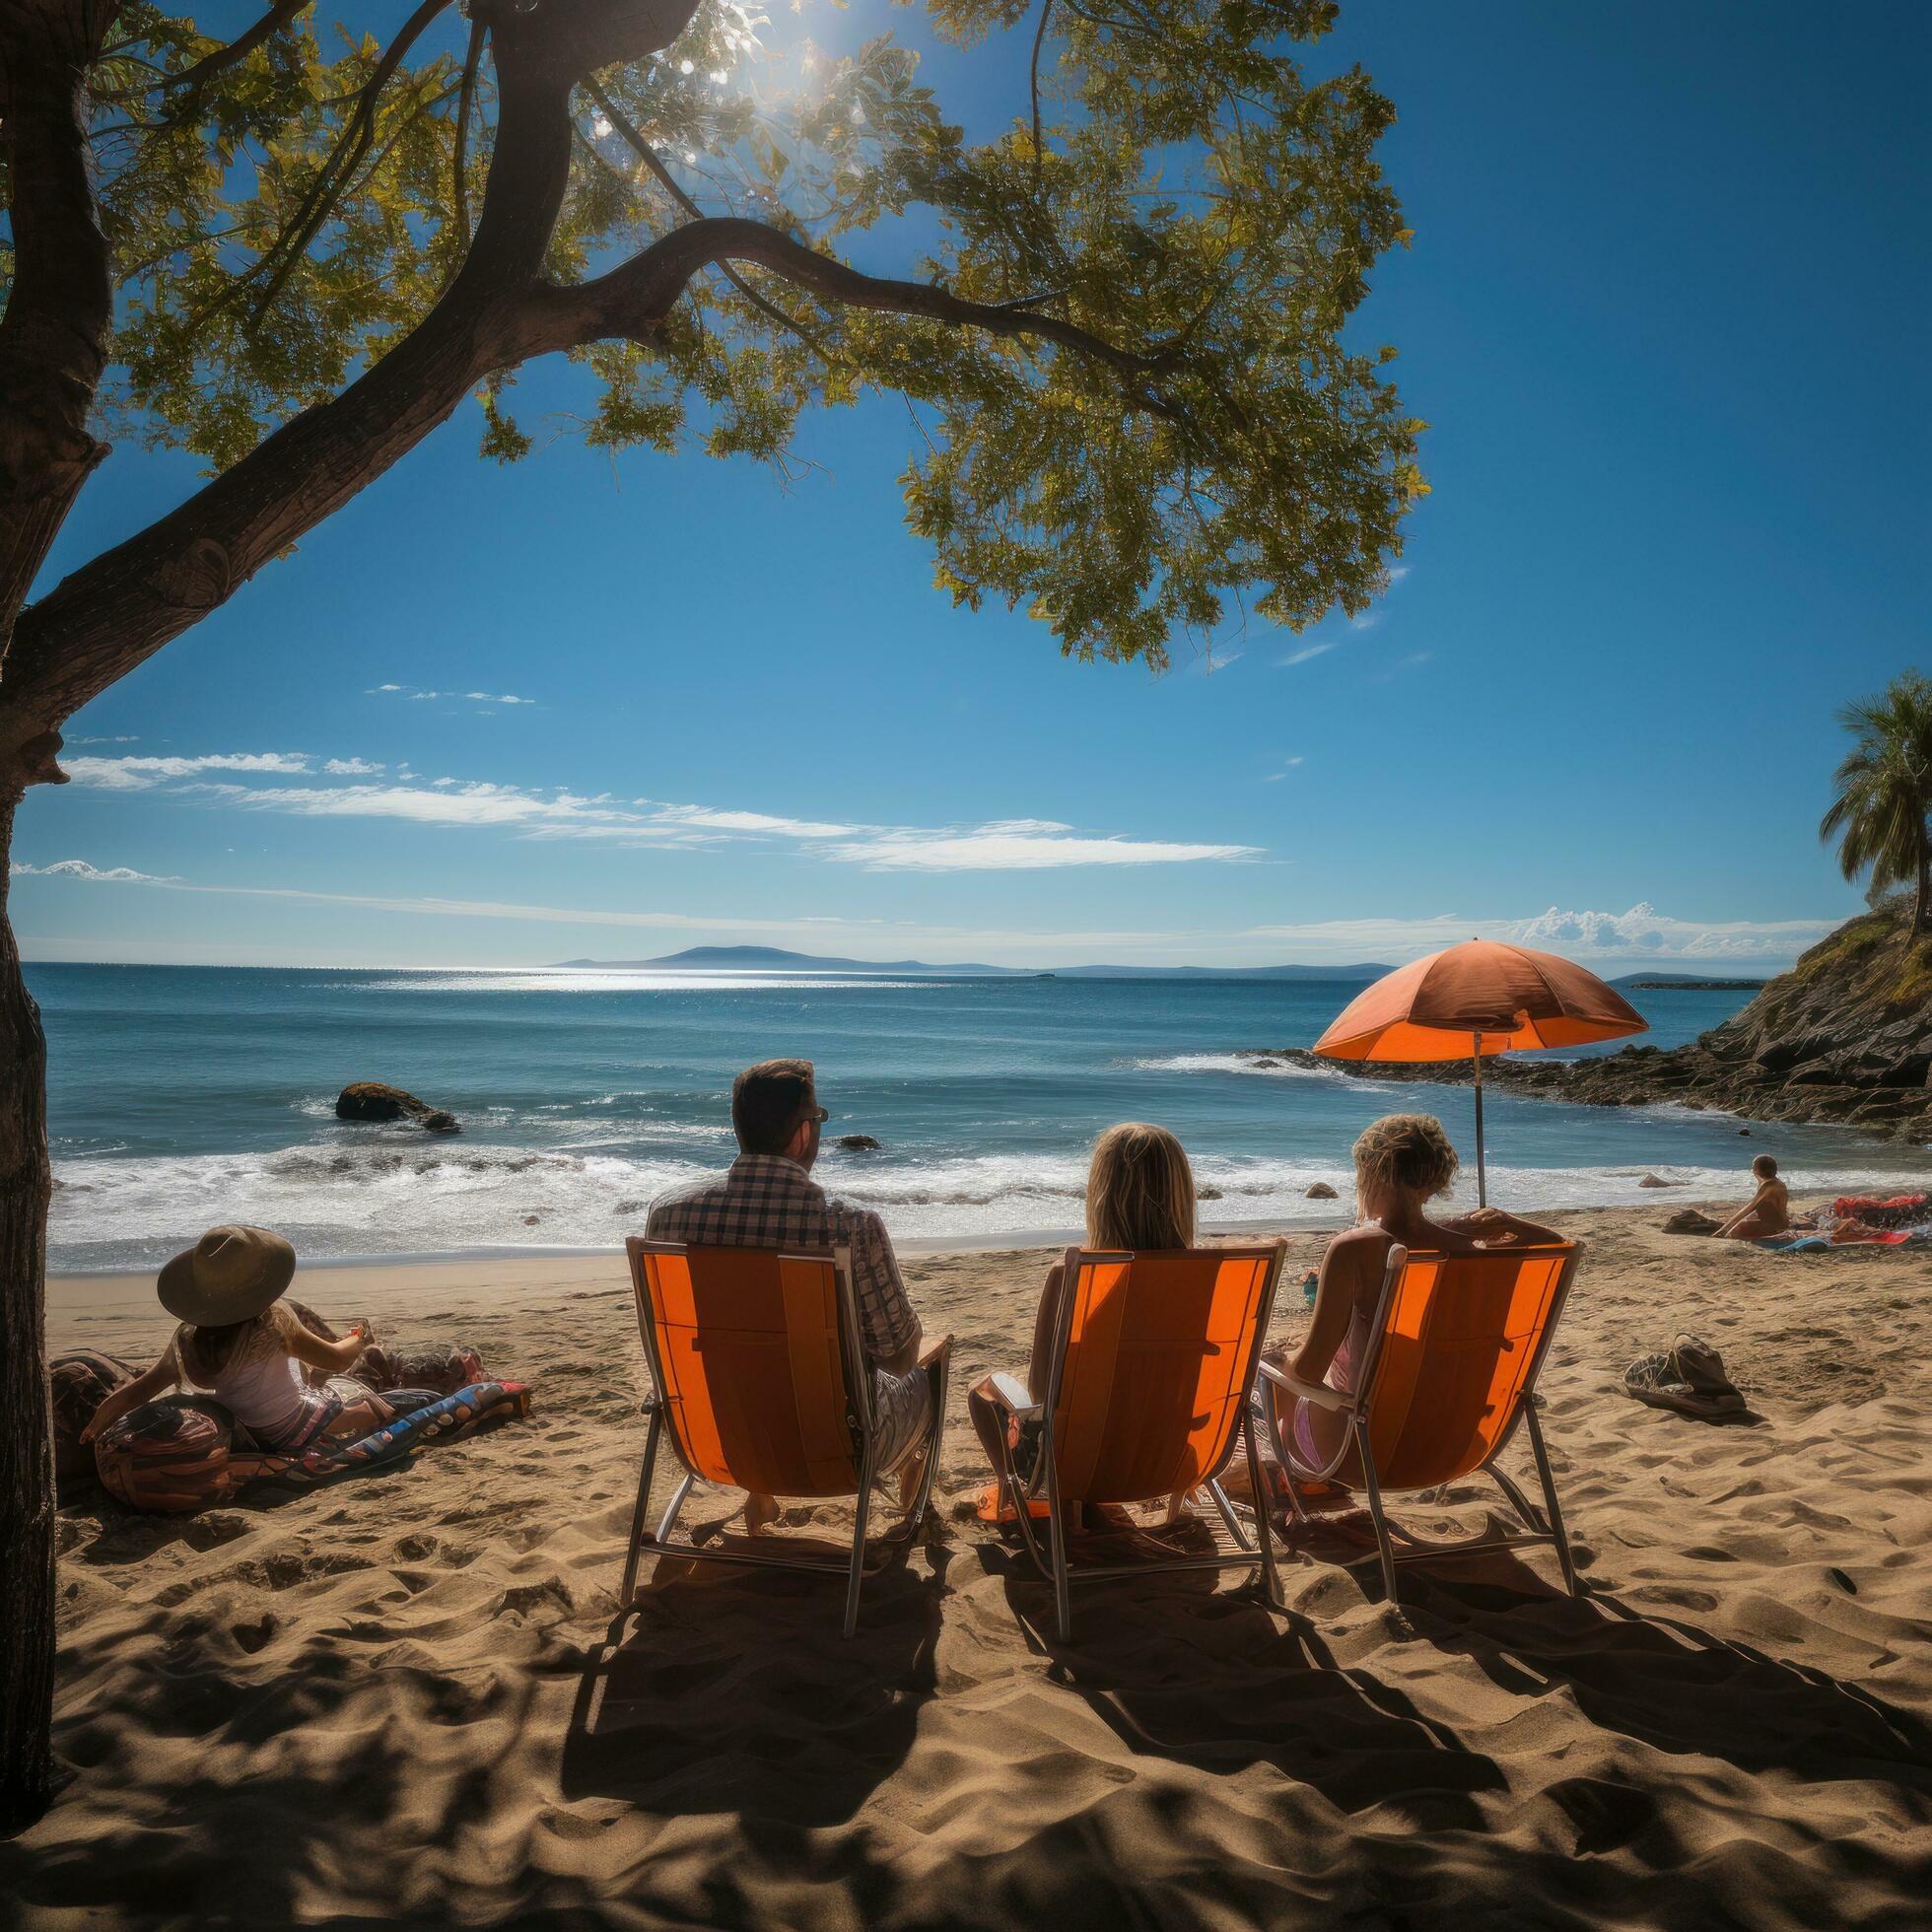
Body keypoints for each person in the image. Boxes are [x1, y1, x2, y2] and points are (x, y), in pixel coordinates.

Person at [645, 1058, 934, 1534]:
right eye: (818, 1119)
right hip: (835, 1448)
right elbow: (898, 1358)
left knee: (748, 1356)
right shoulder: (849, 1224)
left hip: (711, 1435)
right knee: (928, 1371)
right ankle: (912, 1515)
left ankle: (761, 1491)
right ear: (802, 1134)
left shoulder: (669, 1215)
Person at [1275, 1114, 1559, 1473]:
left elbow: (1308, 1371)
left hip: (1363, 1451)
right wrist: (1507, 1223)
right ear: (1434, 1180)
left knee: (1271, 1373)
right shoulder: (1470, 1252)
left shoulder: (1355, 1250)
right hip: (1458, 1447)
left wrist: (1280, 1362)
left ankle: (1297, 1487)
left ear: (1374, 1173)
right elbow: (1560, 1246)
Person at [968, 1121, 1202, 1527]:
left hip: (1080, 1464)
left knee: (981, 1393)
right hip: (1170, 1458)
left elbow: (1040, 1393)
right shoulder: (1205, 1277)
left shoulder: (1071, 1276)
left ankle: (1011, 1493)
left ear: (1101, 1196)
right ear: (1182, 1194)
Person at [81, 1225, 394, 1453]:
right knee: (378, 1406)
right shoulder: (275, 1321)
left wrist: (100, 1421)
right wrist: (358, 1338)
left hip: (241, 1433)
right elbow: (336, 1359)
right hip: (289, 1431)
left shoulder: (187, 1337)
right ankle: (387, 1410)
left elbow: (142, 1388)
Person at [1713, 1154, 1791, 1240]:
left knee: (1734, 1232)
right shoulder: (1774, 1182)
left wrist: (1724, 1229)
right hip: (1776, 1222)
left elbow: (1750, 1208)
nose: (1752, 1170)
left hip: (1775, 1225)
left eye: (1753, 1167)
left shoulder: (1769, 1185)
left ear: (1757, 1170)